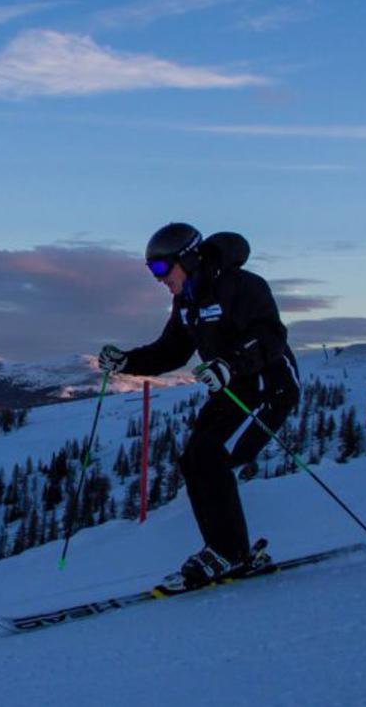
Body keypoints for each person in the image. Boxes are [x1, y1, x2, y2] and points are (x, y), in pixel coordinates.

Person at [97, 223, 300, 588]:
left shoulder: (242, 286)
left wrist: (230, 363)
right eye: (151, 271)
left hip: (270, 389)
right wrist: (126, 362)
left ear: (188, 258)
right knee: (194, 460)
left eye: (161, 268)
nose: (158, 279)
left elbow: (270, 336)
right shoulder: (188, 301)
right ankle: (223, 550)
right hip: (232, 389)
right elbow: (172, 350)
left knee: (211, 457)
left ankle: (230, 553)